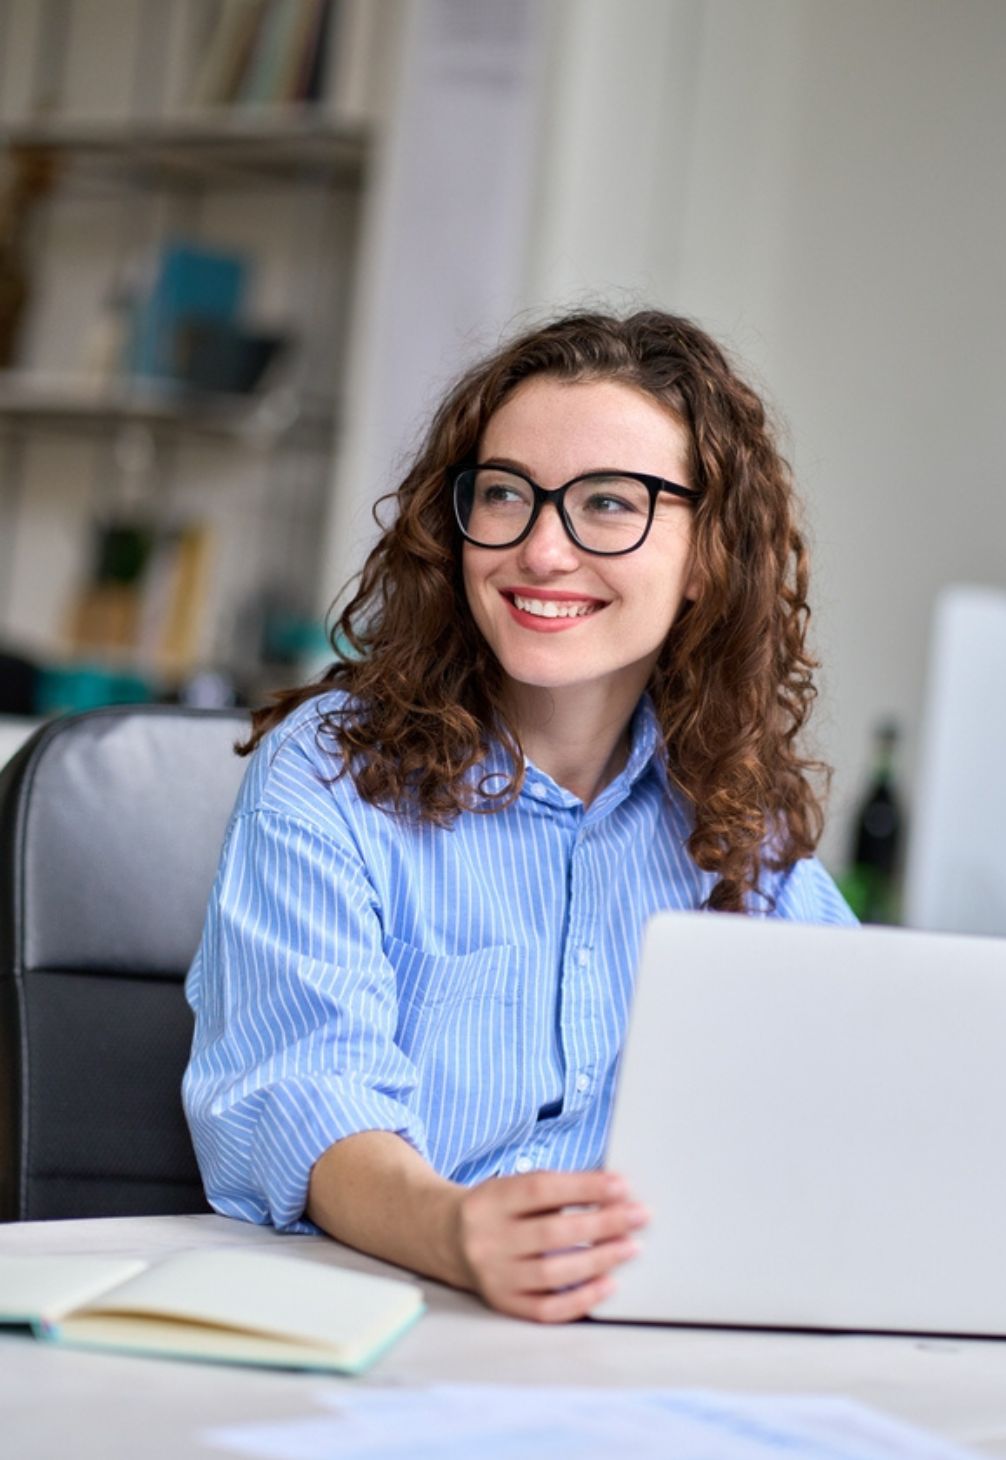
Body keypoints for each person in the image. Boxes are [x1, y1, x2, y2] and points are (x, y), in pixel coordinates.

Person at [183, 309, 855, 1324]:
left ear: (707, 555)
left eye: (607, 504)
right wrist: (458, 1231)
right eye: (504, 493)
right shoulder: (324, 776)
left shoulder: (733, 821)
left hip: (646, 1343)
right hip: (388, 1326)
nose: (541, 548)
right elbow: (299, 1095)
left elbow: (860, 1069)